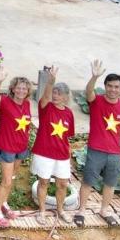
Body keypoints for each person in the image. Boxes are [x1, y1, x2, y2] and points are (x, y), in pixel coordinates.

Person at [75, 60, 120, 228]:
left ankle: (104, 210)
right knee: (88, 181)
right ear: (105, 86)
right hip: (96, 150)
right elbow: (88, 91)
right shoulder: (96, 101)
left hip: (115, 152)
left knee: (111, 182)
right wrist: (94, 76)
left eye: (116, 87)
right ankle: (81, 210)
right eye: (110, 86)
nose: (113, 90)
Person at [30, 66, 75, 224]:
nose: (56, 96)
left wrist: (68, 156)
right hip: (44, 152)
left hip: (61, 154)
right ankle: (42, 211)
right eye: (55, 92)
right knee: (43, 182)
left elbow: (67, 137)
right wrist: (51, 81)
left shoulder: (69, 113)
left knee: (62, 184)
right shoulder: (46, 108)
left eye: (59, 93)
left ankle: (60, 210)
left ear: (65, 97)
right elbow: (46, 96)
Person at [0, 67, 33, 228]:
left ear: (28, 90)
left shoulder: (27, 104)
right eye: (18, 87)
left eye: (24, 88)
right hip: (6, 147)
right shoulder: (5, 102)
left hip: (20, 148)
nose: (21, 90)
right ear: (13, 89)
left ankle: (5, 204)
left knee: (12, 178)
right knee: (6, 181)